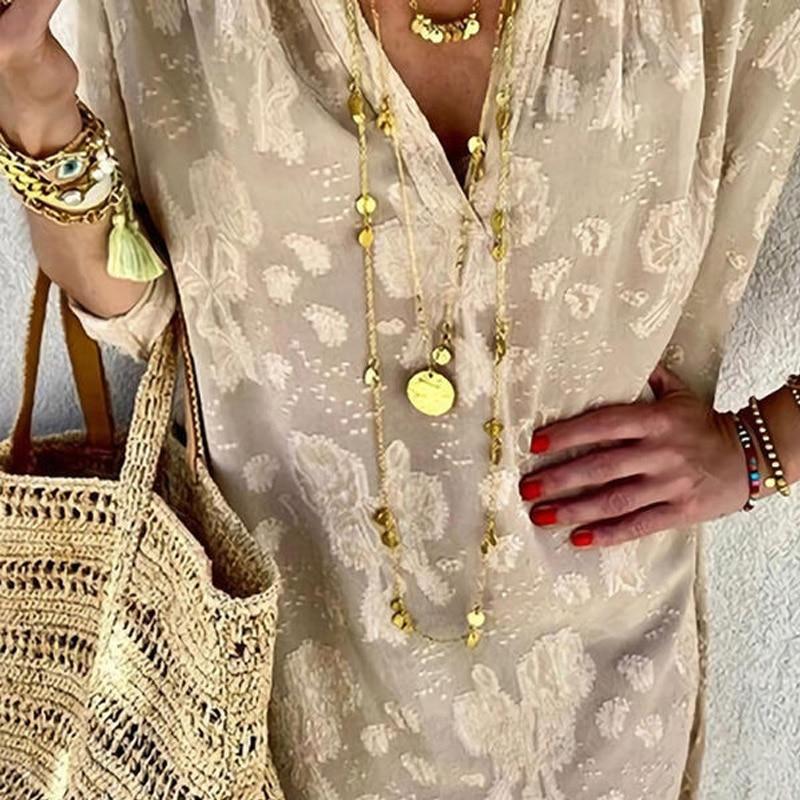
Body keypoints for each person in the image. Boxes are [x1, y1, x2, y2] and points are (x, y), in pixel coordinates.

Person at [1, 0, 799, 797]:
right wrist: (32, 97)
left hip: (599, 719)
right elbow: (143, 307)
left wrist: (762, 448)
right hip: (262, 708)